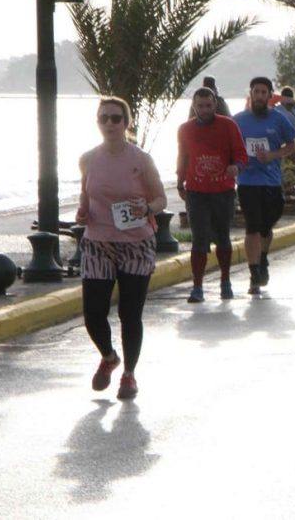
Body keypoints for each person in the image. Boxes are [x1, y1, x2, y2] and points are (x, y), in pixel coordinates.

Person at [75, 96, 167, 400]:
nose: (110, 124)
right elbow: (84, 198)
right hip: (98, 242)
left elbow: (160, 200)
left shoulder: (140, 160)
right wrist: (82, 213)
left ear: (126, 123)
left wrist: (146, 209)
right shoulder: (88, 159)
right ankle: (109, 356)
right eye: (104, 118)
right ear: (98, 123)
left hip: (135, 243)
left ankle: (128, 374)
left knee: (130, 313)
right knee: (93, 314)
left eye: (116, 118)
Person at [177, 86, 248, 302]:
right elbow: (183, 157)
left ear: (215, 105)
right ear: (194, 106)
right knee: (199, 239)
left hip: (223, 191)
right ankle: (197, 287)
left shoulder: (228, 125)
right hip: (196, 191)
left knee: (222, 237)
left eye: (208, 105)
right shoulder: (185, 129)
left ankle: (225, 281)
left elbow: (241, 155)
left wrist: (236, 167)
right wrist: (180, 181)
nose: (204, 110)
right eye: (200, 106)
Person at [234, 77, 295, 293]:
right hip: (247, 181)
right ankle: (254, 274)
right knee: (252, 226)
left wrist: (272, 155)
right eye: (256, 92)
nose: (260, 96)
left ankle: (262, 257)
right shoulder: (238, 121)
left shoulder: (279, 119)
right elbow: (230, 148)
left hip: (271, 181)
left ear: (270, 96)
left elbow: (292, 144)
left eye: (264, 92)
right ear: (250, 94)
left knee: (266, 226)